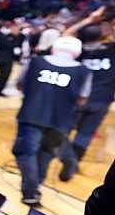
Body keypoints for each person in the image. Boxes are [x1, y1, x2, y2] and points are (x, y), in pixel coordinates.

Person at [14, 36, 91, 205]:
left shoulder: (36, 62)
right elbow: (83, 98)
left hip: (31, 115)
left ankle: (31, 190)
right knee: (46, 153)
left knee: (24, 152)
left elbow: (20, 84)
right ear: (77, 52)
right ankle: (37, 186)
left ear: (54, 47)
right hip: (61, 120)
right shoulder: (84, 71)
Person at [60, 7, 114, 180]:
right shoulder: (110, 50)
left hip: (79, 99)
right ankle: (72, 162)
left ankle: (68, 158)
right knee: (85, 134)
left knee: (62, 131)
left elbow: (66, 35)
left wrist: (90, 19)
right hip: (101, 101)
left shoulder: (81, 50)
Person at [0, 18, 24, 96]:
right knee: (2, 75)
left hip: (10, 59)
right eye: (15, 28)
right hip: (3, 59)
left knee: (6, 76)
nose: (17, 30)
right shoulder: (5, 37)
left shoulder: (19, 38)